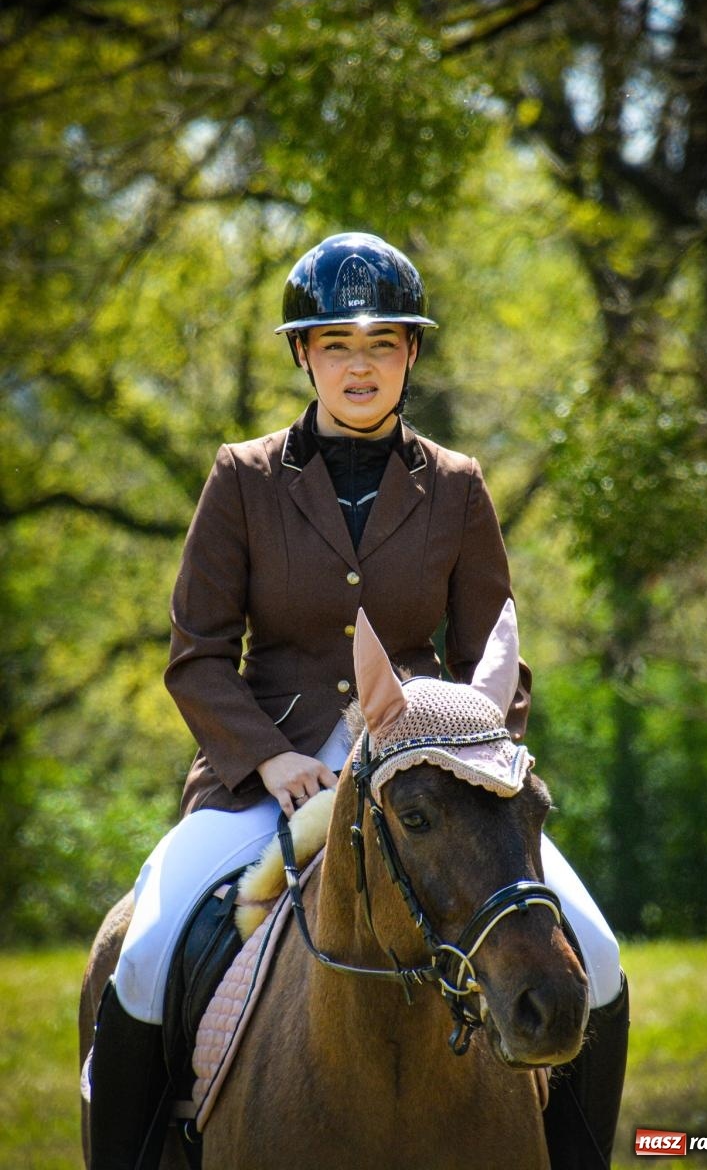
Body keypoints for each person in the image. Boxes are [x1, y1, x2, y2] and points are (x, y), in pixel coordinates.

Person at [88, 231, 628, 1169]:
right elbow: (198, 656)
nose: (360, 366)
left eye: (382, 343)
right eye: (336, 344)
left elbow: (497, 660)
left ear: (411, 353)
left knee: (599, 953)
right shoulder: (241, 478)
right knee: (142, 952)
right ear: (304, 354)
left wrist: (472, 758)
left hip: (431, 781)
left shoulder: (457, 485)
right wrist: (269, 758)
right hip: (268, 780)